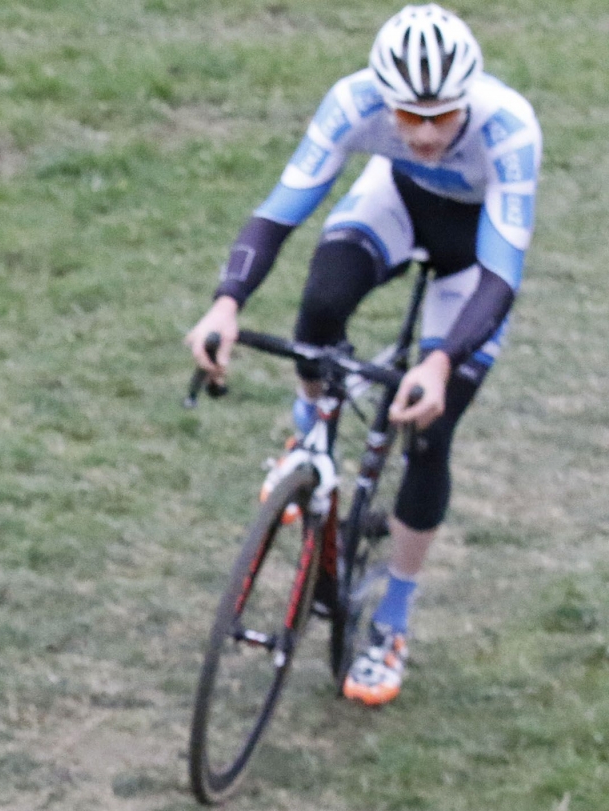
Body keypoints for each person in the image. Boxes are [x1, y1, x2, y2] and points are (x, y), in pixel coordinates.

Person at [185, 4, 540, 705]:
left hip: (473, 262)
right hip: (395, 203)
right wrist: (226, 303)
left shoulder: (510, 128)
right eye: (410, 116)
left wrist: (440, 363)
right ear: (385, 100)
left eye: (444, 114)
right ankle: (309, 430)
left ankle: (393, 620)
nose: (428, 132)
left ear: (469, 95)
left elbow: (501, 275)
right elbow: (281, 209)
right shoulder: (354, 103)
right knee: (320, 304)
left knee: (430, 435)